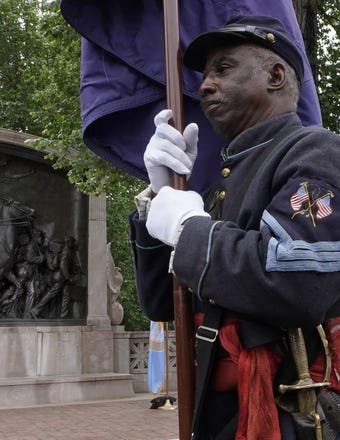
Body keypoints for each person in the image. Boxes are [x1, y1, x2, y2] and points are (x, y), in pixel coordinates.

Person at [129, 16, 340, 439]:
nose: (205, 85)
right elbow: (162, 305)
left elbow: (296, 283)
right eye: (205, 74)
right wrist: (156, 199)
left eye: (223, 69)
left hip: (290, 411)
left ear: (275, 75)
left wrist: (188, 228)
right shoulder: (219, 184)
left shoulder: (316, 151)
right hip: (220, 409)